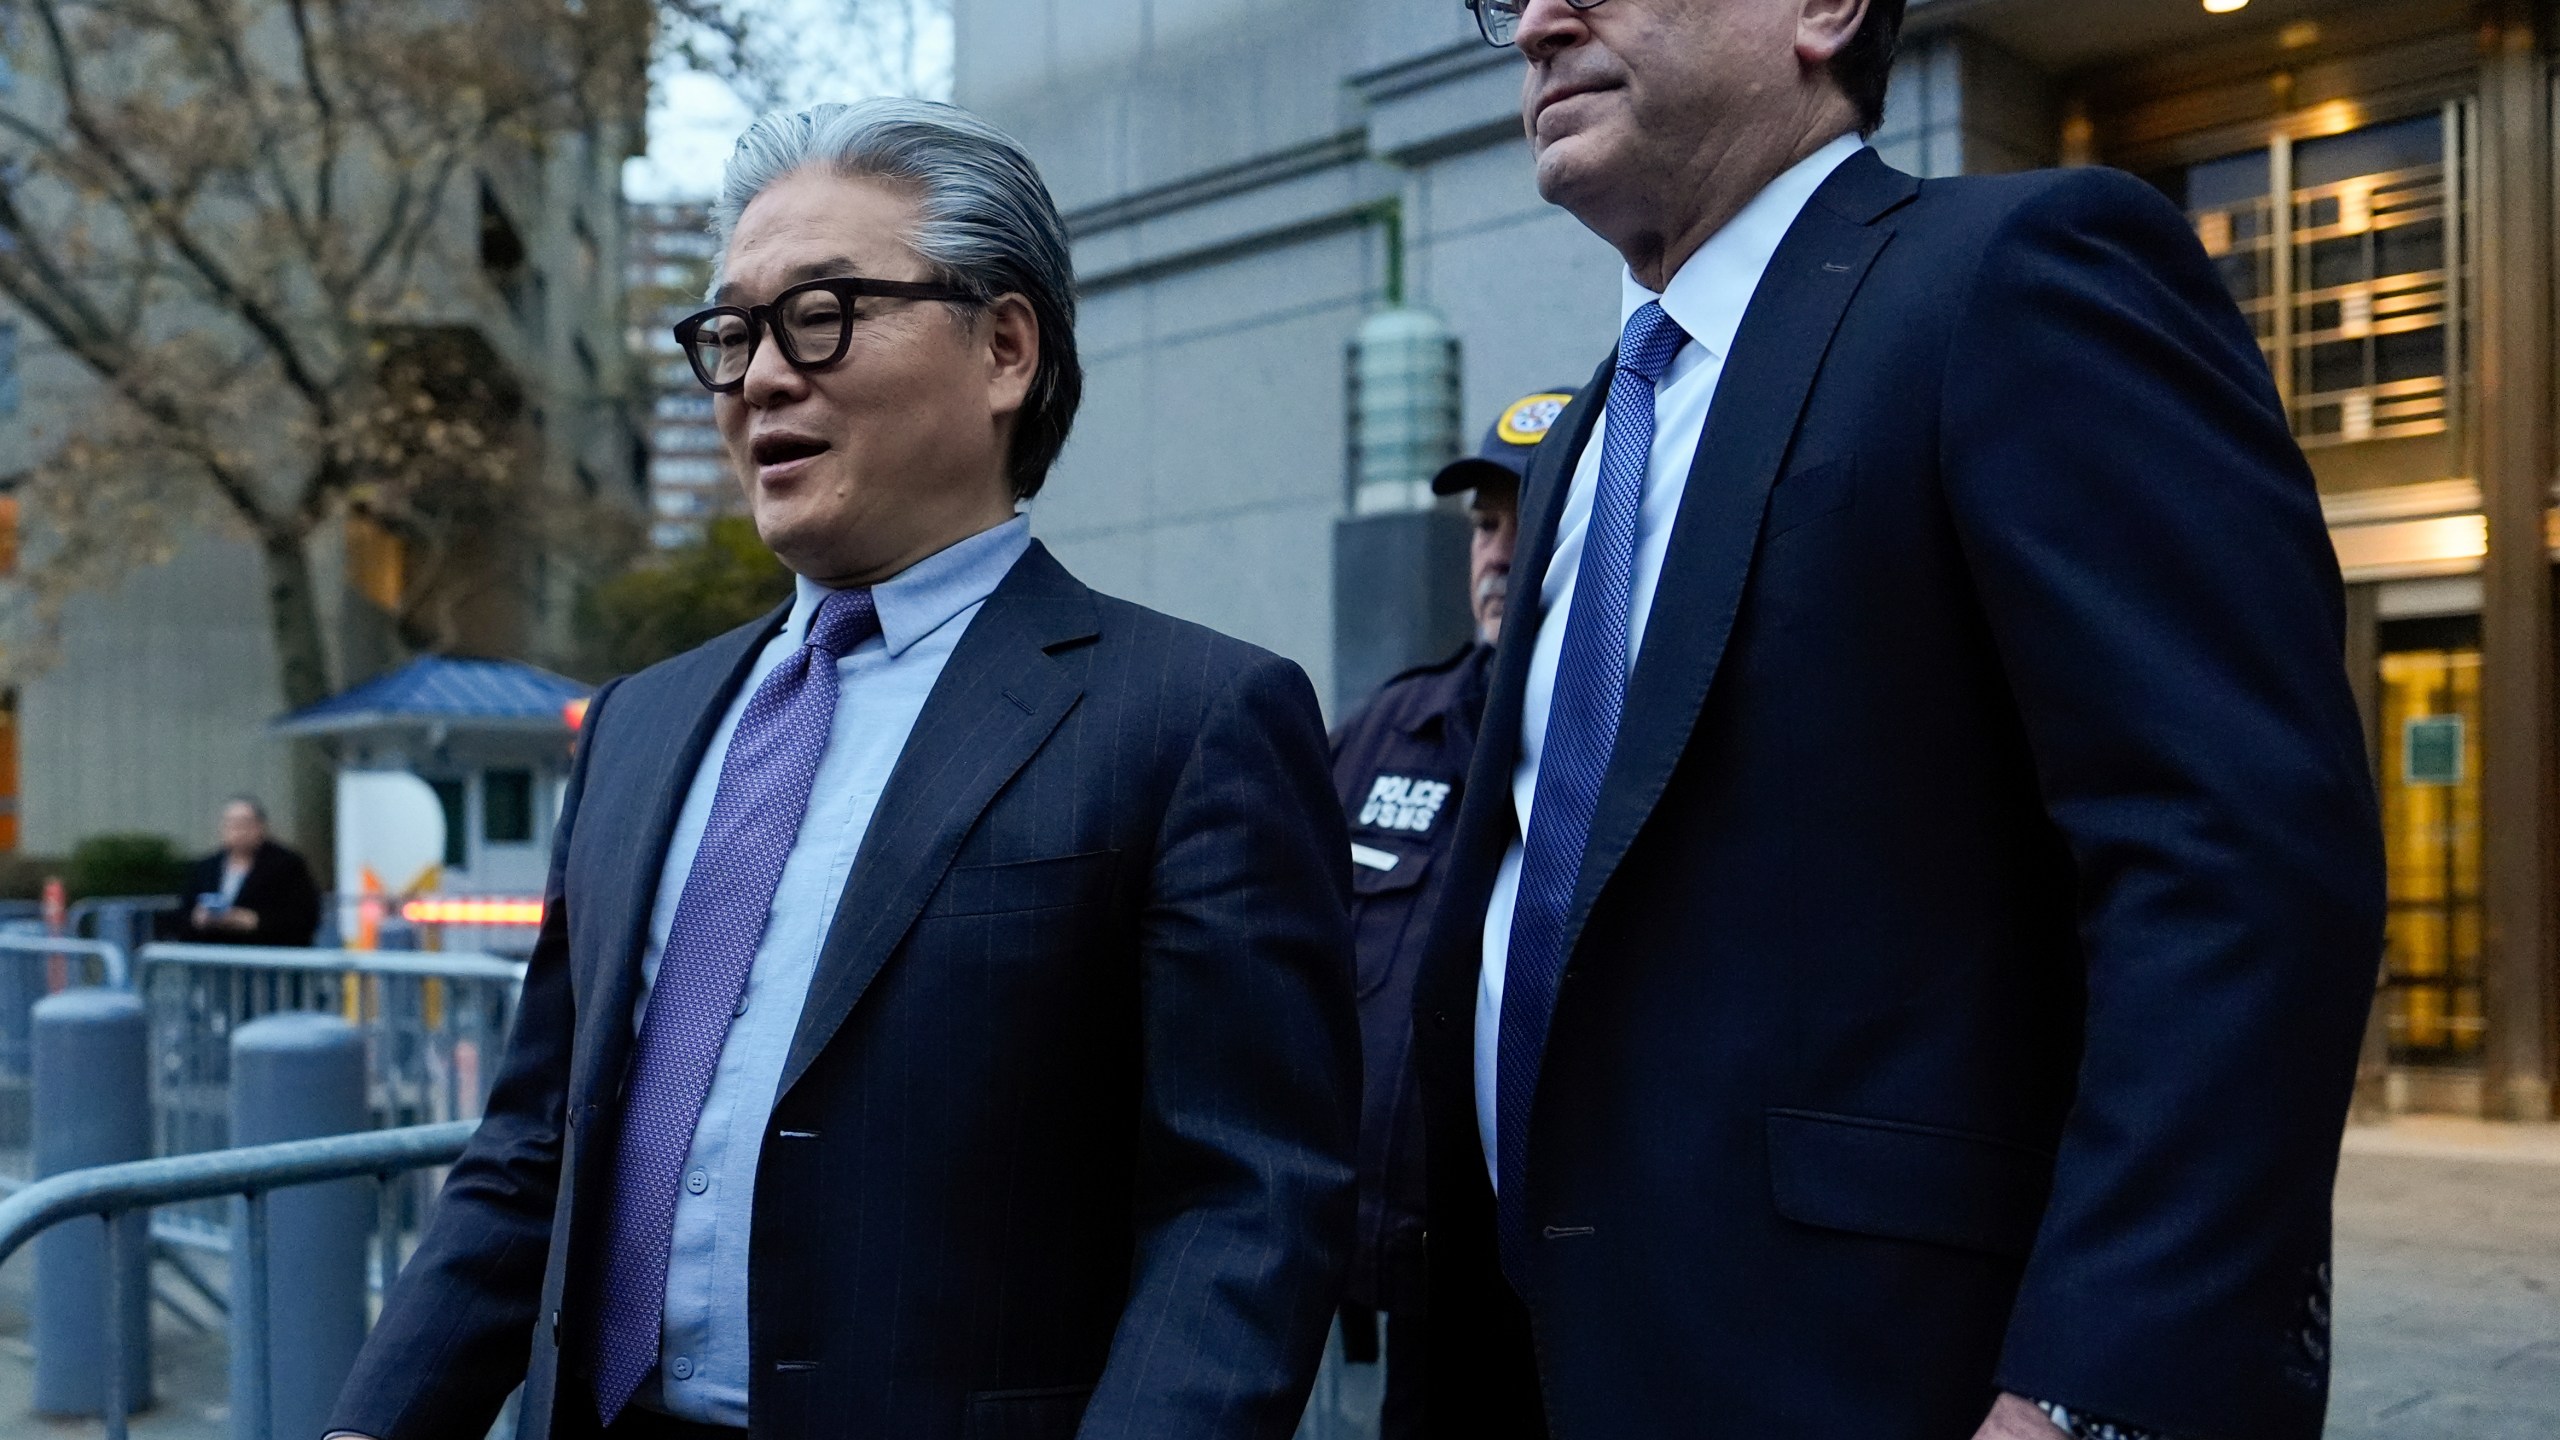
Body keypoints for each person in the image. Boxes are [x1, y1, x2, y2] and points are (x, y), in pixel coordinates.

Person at [1411, 3, 2385, 1440]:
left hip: (1885, 1377)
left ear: (1822, 11)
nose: (1543, 22)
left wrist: (2083, 1392)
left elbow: (2238, 867)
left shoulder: (2019, 275)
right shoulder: (1582, 442)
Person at [330, 99, 1357, 1440]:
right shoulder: (641, 723)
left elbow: (1248, 1206)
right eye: (733, 333)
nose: (759, 377)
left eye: (822, 315)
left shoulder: (1193, 719)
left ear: (1003, 347)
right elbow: (534, 1146)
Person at [1316, 388, 1558, 1438]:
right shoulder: (1381, 733)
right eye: (1483, 526)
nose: (1496, 554)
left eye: (1528, 517)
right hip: (1382, 1287)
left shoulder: (1637, 740)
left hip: (1557, 1300)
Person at [177, 796, 321, 947]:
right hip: (215, 956)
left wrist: (250, 920)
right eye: (231, 824)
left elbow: (304, 917)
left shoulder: (288, 864)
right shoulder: (206, 867)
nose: (238, 831)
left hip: (267, 955)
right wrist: (197, 919)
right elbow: (183, 914)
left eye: (245, 824)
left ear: (261, 826)